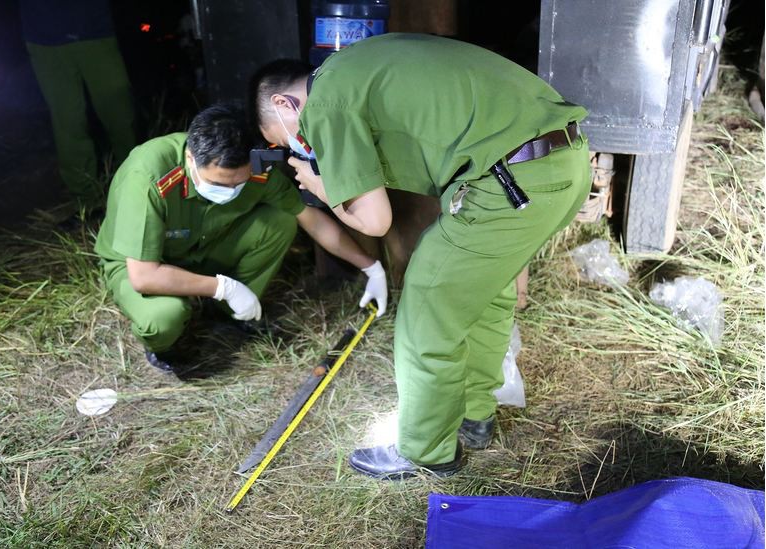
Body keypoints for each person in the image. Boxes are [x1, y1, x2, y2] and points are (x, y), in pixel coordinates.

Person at [251, 33, 590, 479]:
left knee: (426, 314)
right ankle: (474, 416)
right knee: (487, 297)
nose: (295, 146)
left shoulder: (326, 102)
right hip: (562, 163)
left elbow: (375, 221)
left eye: (283, 140)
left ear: (285, 103)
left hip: (509, 181)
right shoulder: (361, 64)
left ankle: (427, 451)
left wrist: (319, 186)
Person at [94, 105, 387, 372]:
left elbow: (313, 222)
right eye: (219, 183)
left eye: (239, 182)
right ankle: (165, 348)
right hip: (141, 261)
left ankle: (228, 316)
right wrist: (223, 286)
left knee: (280, 222)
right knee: (163, 318)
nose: (231, 190)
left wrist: (370, 266)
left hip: (206, 244)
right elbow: (144, 276)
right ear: (190, 158)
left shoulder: (256, 169)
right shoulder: (148, 176)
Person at [19, 0, 137, 210]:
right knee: (67, 120)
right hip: (43, 35)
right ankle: (86, 202)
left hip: (94, 29)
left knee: (119, 110)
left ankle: (139, 184)